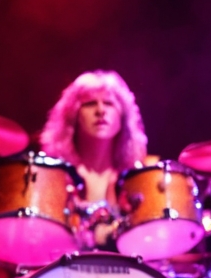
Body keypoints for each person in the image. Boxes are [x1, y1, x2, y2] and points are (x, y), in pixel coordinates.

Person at [38, 70, 150, 248]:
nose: (100, 110)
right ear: (72, 116)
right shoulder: (56, 177)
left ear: (123, 117)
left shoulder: (136, 179)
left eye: (109, 103)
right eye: (90, 104)